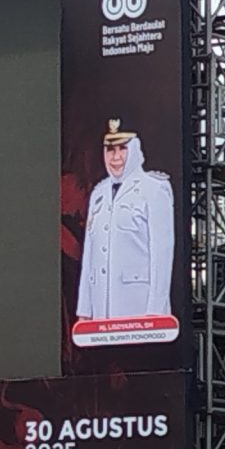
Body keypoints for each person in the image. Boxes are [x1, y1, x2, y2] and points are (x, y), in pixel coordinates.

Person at [74, 121, 177, 343]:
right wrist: (84, 310)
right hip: (101, 316)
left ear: (135, 149)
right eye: (110, 149)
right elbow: (89, 256)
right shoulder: (99, 193)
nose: (116, 157)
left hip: (138, 311)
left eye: (123, 148)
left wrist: (156, 312)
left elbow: (162, 252)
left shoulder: (154, 188)